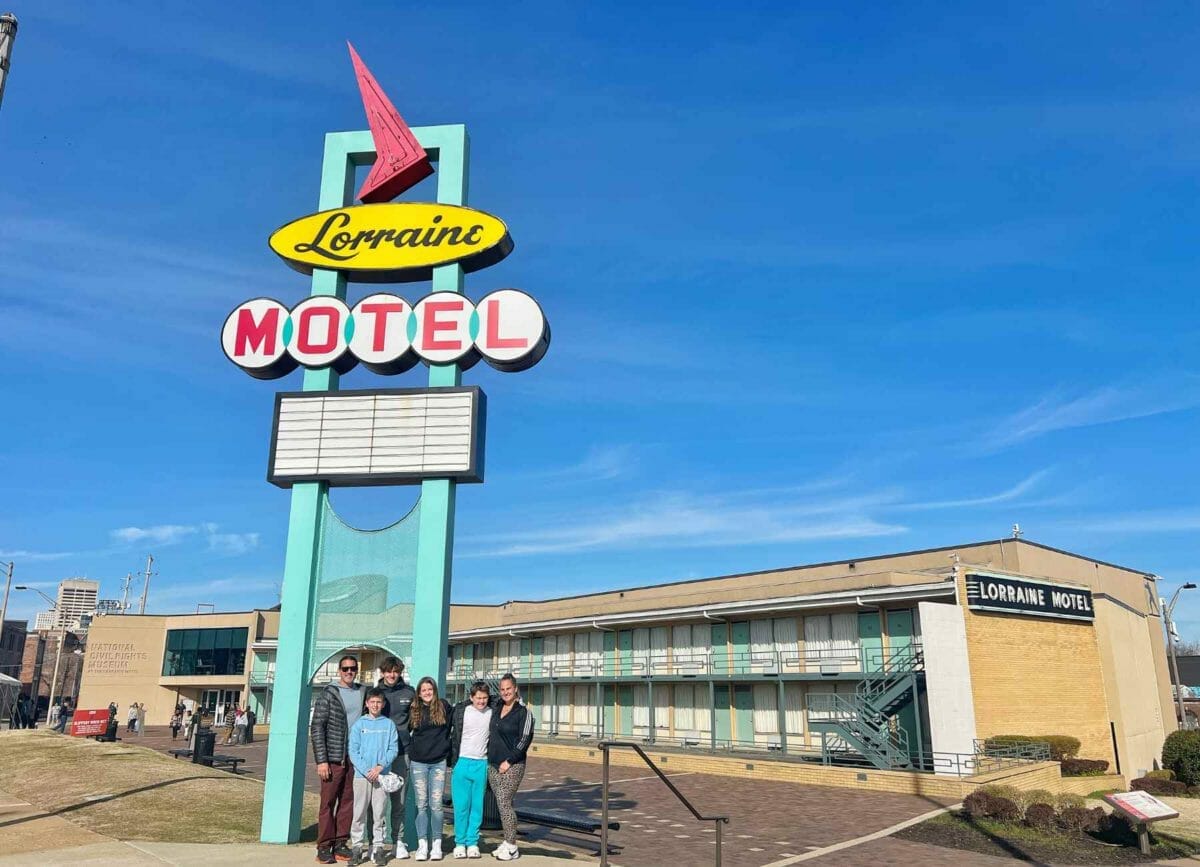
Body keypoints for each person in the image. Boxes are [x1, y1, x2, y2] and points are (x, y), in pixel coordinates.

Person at [311, 654, 366, 865]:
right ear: (339, 671)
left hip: (354, 757)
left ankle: (341, 843)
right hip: (333, 757)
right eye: (345, 669)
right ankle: (324, 846)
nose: (349, 672)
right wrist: (321, 761)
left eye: (353, 668)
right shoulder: (329, 694)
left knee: (347, 802)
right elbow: (317, 727)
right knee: (327, 802)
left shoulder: (363, 692)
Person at [348, 687, 399, 867]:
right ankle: (356, 848)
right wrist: (366, 770)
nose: (375, 705)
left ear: (383, 704)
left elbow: (393, 749)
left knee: (379, 814)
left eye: (379, 702)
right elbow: (353, 751)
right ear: (367, 704)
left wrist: (379, 767)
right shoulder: (359, 725)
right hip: (362, 777)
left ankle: (378, 848)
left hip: (381, 776)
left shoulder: (389, 724)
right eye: (372, 702)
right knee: (359, 813)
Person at [487, 675, 534, 861]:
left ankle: (513, 847)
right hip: (493, 764)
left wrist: (509, 761)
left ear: (515, 689)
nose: (506, 692)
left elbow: (525, 740)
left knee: (505, 803)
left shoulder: (524, 712)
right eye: (502, 689)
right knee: (502, 804)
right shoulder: (497, 707)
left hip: (512, 765)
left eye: (509, 688)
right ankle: (507, 842)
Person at [408, 676, 453, 862]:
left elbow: (456, 720)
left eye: (430, 689)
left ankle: (436, 844)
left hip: (438, 763)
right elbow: (405, 729)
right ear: (419, 693)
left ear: (434, 690)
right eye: (423, 690)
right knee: (421, 805)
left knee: (436, 806)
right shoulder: (414, 710)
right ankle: (422, 844)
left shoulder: (443, 706)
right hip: (418, 763)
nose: (427, 693)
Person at [377, 656, 415, 859]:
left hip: (402, 753)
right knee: (378, 802)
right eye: (388, 671)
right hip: (379, 756)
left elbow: (416, 720)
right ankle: (378, 842)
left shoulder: (409, 692)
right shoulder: (374, 693)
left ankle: (398, 841)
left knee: (399, 801)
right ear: (382, 672)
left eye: (395, 671)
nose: (392, 675)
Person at [449, 681, 492, 860]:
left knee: (477, 806)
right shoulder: (462, 711)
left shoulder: (492, 712)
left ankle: (472, 842)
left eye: (484, 698)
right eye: (478, 698)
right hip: (462, 761)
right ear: (471, 698)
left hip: (481, 763)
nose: (481, 701)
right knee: (461, 806)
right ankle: (460, 843)